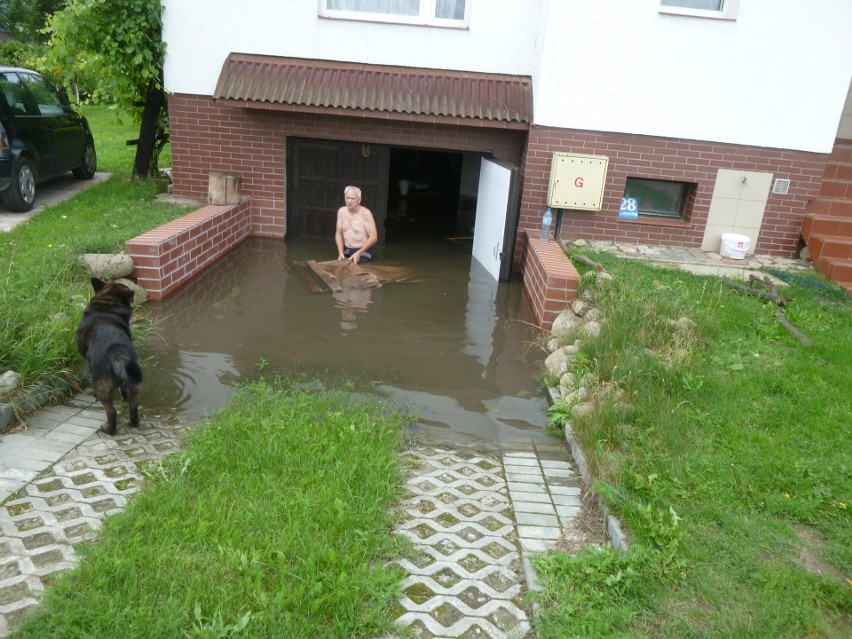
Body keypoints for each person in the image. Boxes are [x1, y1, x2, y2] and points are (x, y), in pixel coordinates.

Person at [335, 185, 377, 264]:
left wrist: (359, 252)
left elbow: (374, 237)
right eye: (347, 198)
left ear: (359, 200)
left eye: (352, 198)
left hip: (363, 251)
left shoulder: (366, 213)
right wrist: (340, 252)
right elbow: (338, 233)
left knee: (358, 270)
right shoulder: (341, 211)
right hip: (346, 250)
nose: (349, 201)